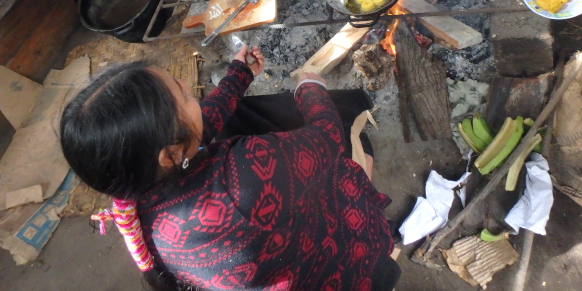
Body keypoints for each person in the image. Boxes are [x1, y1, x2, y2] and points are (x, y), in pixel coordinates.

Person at [60, 45, 400, 291]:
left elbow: (197, 129)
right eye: (184, 94)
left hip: (257, 271)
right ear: (170, 153)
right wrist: (311, 89)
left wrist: (240, 76)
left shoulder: (138, 196)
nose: (192, 92)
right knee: (353, 167)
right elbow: (327, 140)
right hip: (319, 273)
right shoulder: (244, 177)